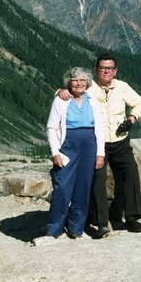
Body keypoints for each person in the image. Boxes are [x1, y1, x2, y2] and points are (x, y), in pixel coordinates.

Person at [58, 53, 141, 236]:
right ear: (96, 70)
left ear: (115, 71)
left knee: (130, 173)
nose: (106, 71)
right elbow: (70, 90)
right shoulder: (89, 88)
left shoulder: (122, 87)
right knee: (98, 180)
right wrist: (60, 91)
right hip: (98, 143)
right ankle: (101, 223)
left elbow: (140, 102)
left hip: (121, 140)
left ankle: (131, 218)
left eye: (110, 68)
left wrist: (131, 118)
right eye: (102, 68)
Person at [46, 66, 105, 239]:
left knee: (83, 187)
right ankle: (53, 228)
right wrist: (55, 152)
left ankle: (75, 228)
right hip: (68, 145)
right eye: (75, 80)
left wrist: (99, 153)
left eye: (82, 80)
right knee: (62, 187)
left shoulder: (92, 100)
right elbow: (51, 127)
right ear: (69, 82)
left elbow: (100, 129)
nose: (78, 83)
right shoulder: (61, 100)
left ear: (87, 83)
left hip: (89, 145)